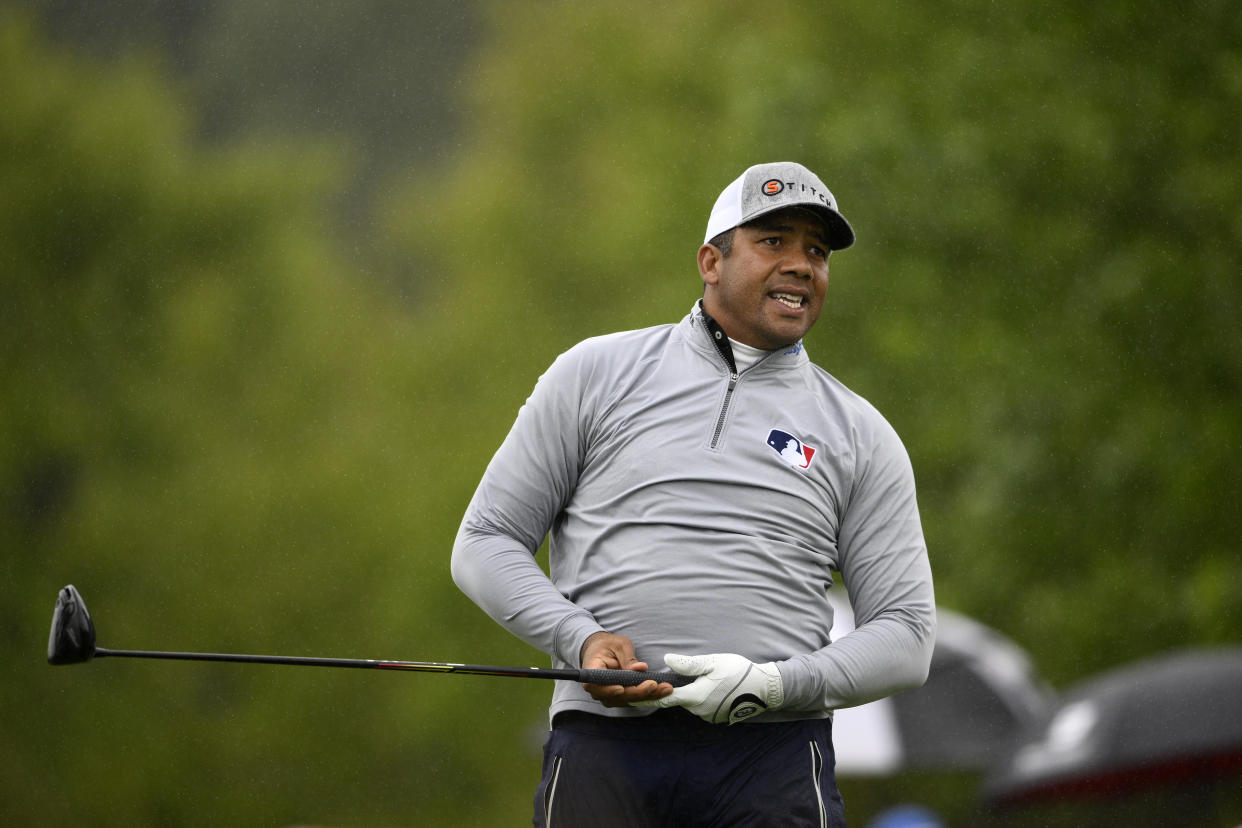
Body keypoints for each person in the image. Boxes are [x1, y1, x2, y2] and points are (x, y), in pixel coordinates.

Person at [451, 161, 935, 827]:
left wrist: (775, 685)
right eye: (774, 242)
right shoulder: (596, 374)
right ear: (712, 261)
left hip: (773, 758)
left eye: (817, 252)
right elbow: (484, 542)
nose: (801, 265)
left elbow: (906, 635)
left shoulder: (859, 433)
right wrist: (581, 638)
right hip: (603, 747)